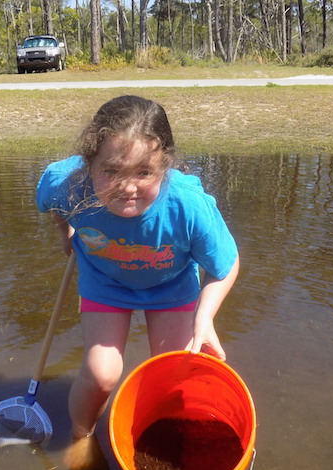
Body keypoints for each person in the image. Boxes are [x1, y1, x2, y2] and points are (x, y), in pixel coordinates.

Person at [36, 95, 239, 444]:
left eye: (144, 172)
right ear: (89, 164)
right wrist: (66, 232)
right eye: (111, 171)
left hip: (171, 284)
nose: (127, 188)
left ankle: (161, 437)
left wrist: (204, 318)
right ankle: (80, 437)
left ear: (165, 167)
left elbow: (226, 265)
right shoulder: (66, 185)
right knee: (102, 374)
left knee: (172, 373)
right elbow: (54, 206)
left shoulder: (188, 206)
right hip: (105, 281)